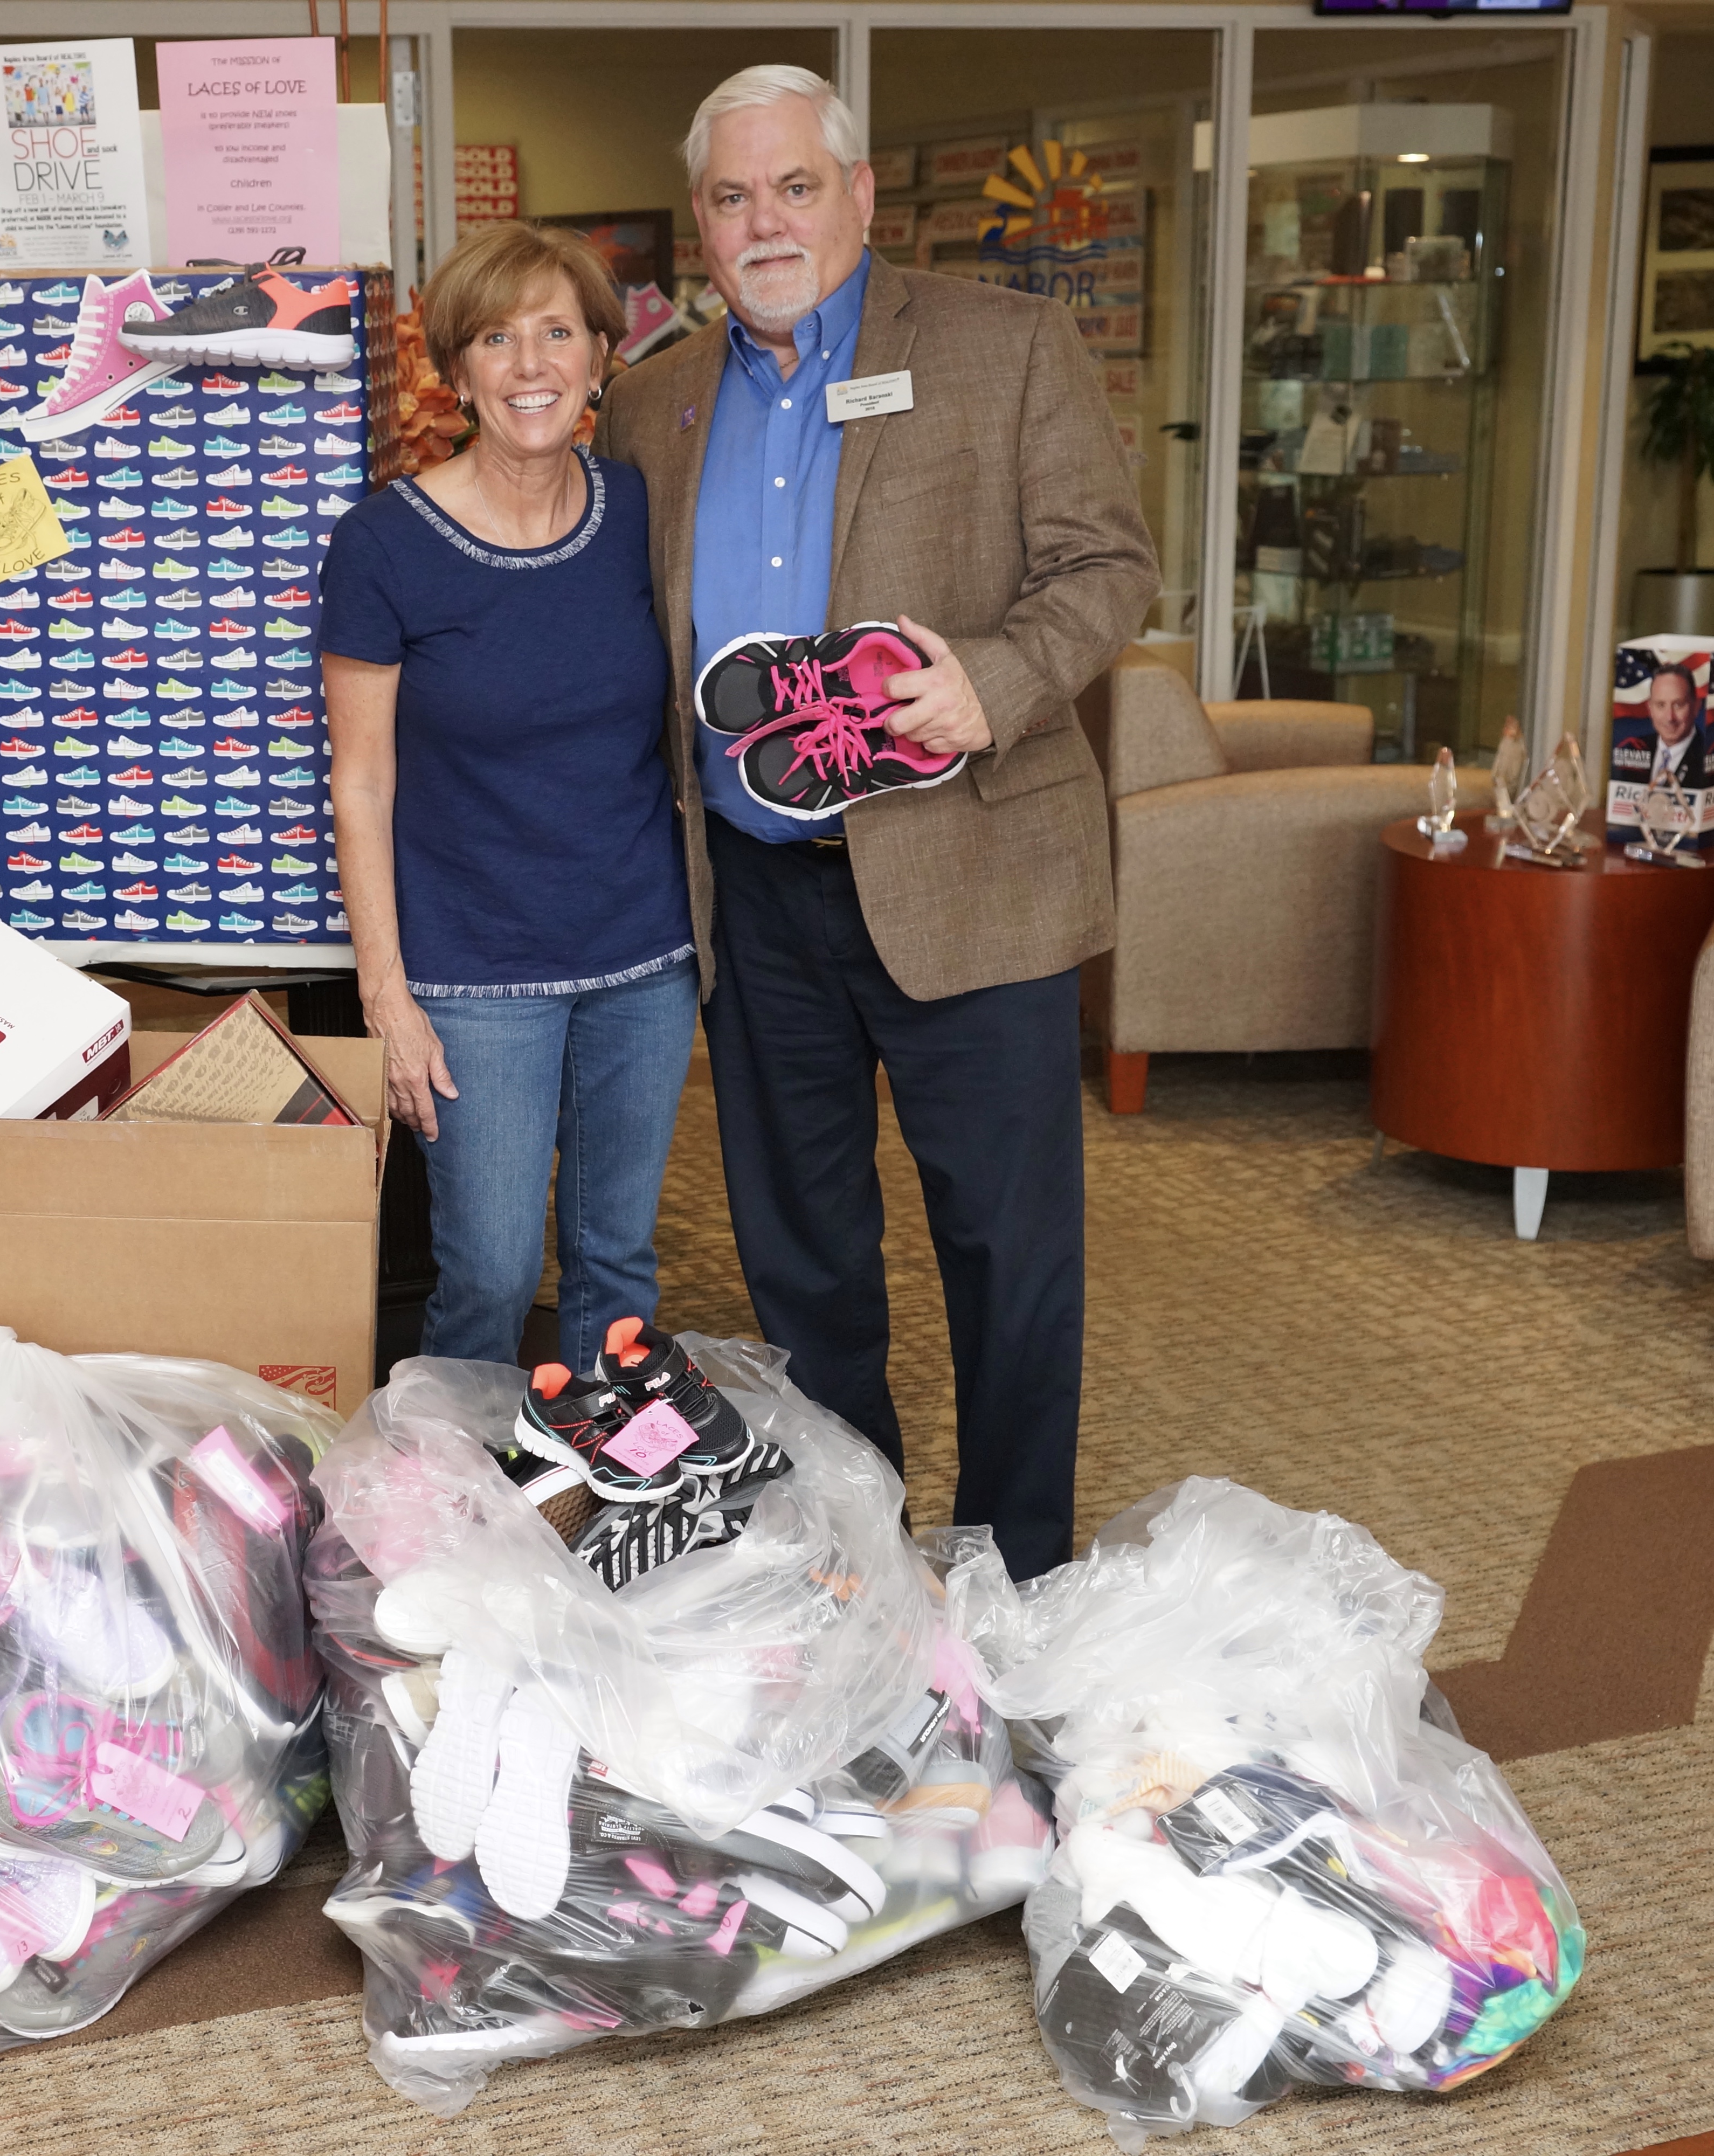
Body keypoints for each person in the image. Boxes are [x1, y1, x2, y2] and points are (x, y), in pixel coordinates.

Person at [594, 65, 1159, 1579]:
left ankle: (1016, 1569)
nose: (762, 220)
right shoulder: (652, 405)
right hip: (760, 900)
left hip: (974, 872)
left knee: (1007, 1254)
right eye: (730, 196)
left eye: (792, 186)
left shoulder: (1003, 345)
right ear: (700, 225)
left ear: (855, 193)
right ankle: (852, 1560)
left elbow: (1111, 568)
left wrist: (1002, 677)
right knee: (807, 1263)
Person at [321, 221, 698, 1376]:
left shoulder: (640, 516)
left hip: (642, 956)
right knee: (485, 1271)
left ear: (599, 357)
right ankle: (447, 1517)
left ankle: (591, 1514)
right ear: (456, 367)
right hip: (472, 974)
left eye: (556, 333)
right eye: (496, 337)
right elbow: (362, 774)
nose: (529, 365)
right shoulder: (385, 543)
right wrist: (386, 996)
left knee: (615, 1263)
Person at [1642, 665, 1705, 791]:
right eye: (1661, 705)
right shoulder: (1633, 748)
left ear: (1696, 706)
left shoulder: (1707, 756)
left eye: (1678, 705)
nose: (1670, 718)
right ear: (1650, 709)